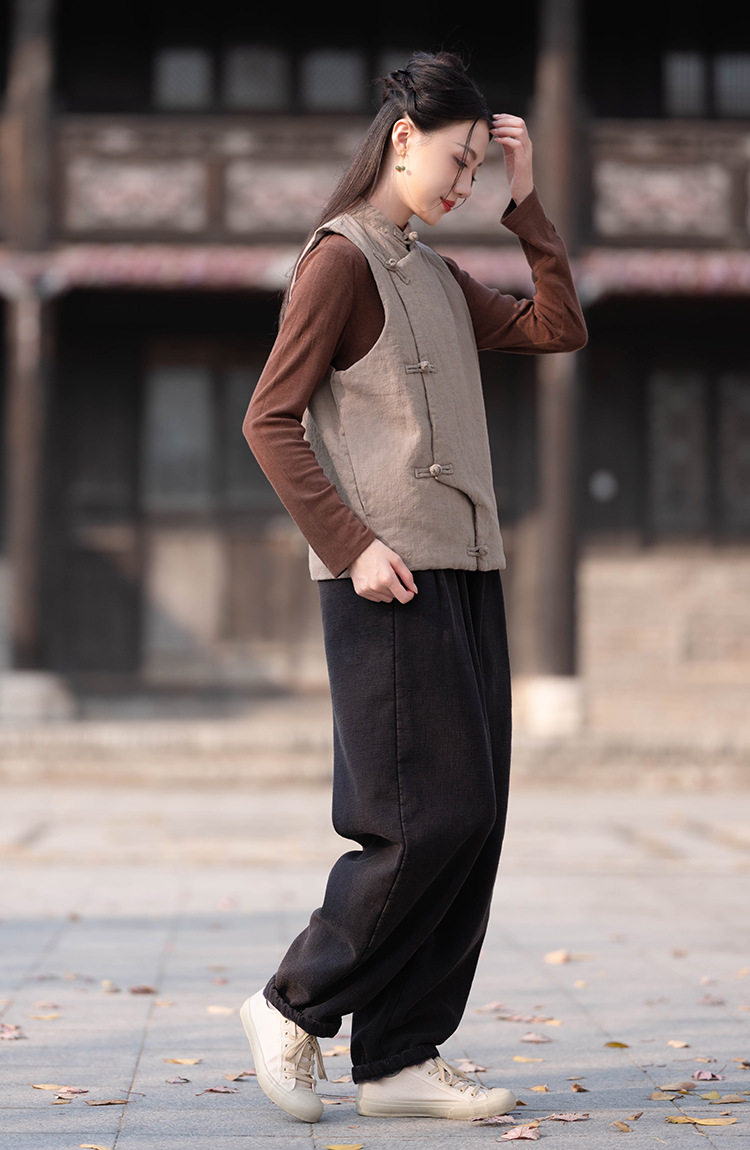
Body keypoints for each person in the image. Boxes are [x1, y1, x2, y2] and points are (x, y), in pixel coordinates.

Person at [240, 50, 587, 1124]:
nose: (465, 183)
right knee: (420, 820)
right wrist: (351, 546)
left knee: (475, 821)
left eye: (481, 167)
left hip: (467, 569)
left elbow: (558, 327)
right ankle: (292, 1004)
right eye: (459, 159)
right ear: (402, 138)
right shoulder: (340, 263)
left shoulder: (435, 274)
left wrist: (529, 205)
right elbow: (269, 421)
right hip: (386, 580)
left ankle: (398, 1056)